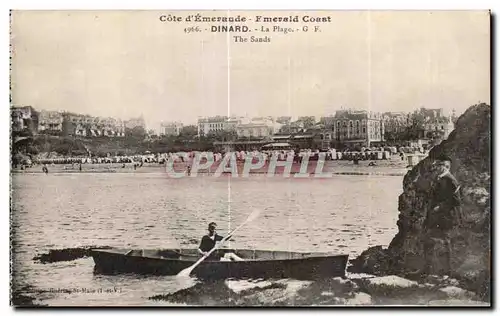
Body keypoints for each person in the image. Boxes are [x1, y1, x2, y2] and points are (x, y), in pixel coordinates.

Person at [422, 155, 463, 276]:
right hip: (434, 216)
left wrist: (440, 207)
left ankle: (448, 271)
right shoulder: (438, 178)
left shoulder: (451, 180)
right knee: (428, 240)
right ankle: (427, 269)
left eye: (439, 165)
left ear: (446, 167)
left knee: (445, 243)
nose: (436, 167)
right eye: (436, 165)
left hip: (446, 217)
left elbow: (456, 201)